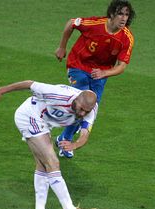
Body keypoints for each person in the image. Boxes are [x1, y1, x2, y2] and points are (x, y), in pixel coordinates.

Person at [0, 80, 99, 209]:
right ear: (76, 99)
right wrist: (0, 91)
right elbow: (29, 83)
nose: (83, 113)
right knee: (53, 162)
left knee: (43, 164)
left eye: (87, 111)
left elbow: (85, 134)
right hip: (30, 116)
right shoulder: (57, 94)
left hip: (44, 123)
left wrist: (75, 144)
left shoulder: (92, 108)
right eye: (81, 109)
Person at [54, 0, 135, 158]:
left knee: (89, 107)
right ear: (111, 14)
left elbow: (122, 66)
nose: (124, 18)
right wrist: (62, 47)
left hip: (100, 73)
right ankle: (67, 141)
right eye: (120, 13)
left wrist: (105, 73)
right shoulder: (94, 23)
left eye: (126, 14)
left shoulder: (127, 38)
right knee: (82, 103)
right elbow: (72, 23)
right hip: (78, 65)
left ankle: (63, 138)